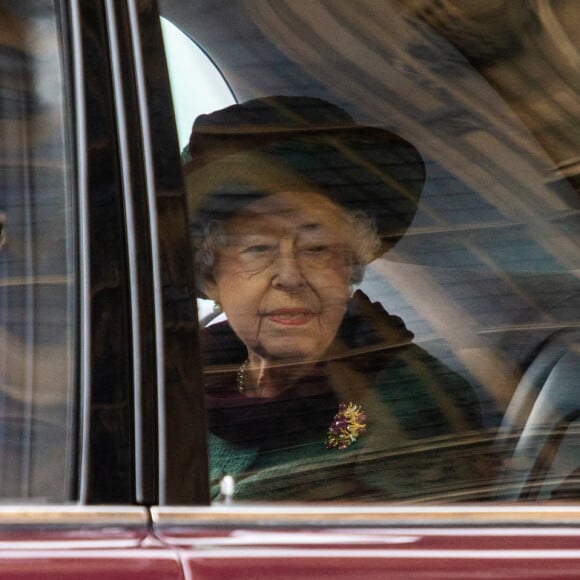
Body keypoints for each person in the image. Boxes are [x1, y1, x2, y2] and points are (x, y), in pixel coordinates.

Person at [183, 96, 486, 501]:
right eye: (257, 249)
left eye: (317, 248)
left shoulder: (412, 399)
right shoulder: (172, 383)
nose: (291, 277)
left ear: (350, 266)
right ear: (212, 278)